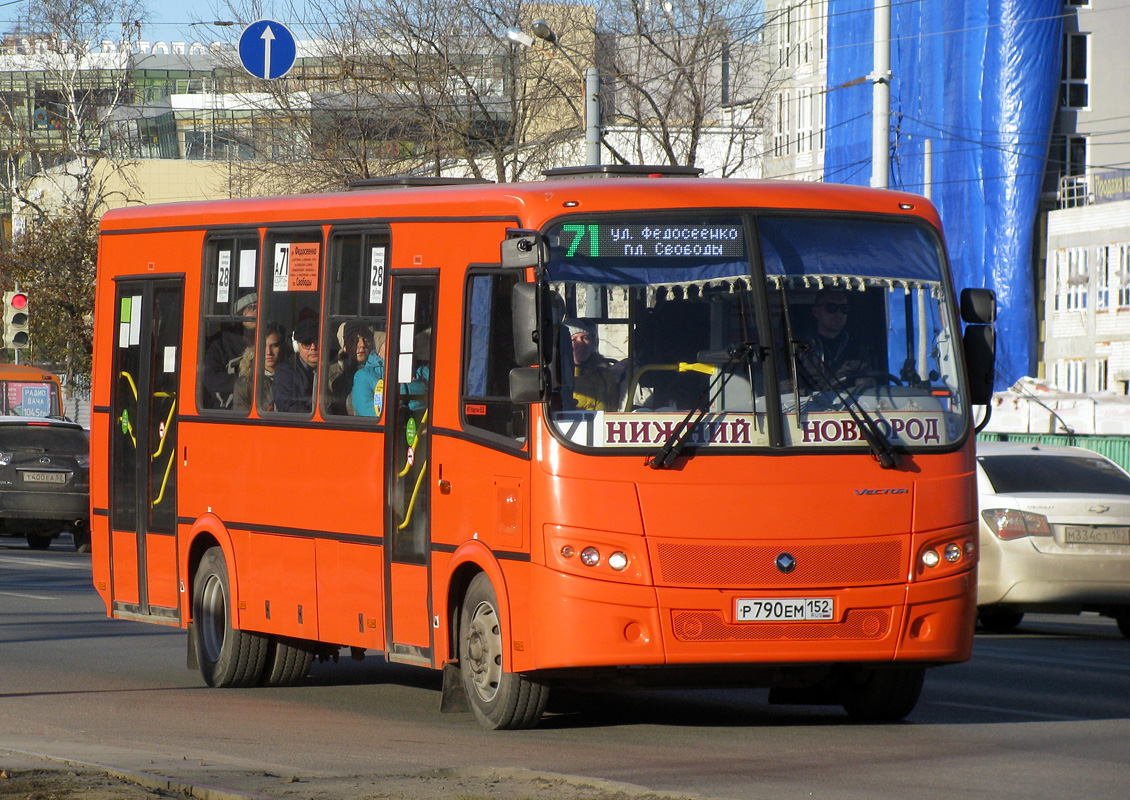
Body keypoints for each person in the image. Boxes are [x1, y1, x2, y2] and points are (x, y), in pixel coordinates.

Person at [803, 289, 872, 387]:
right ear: (816, 312)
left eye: (844, 309)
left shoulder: (857, 350)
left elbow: (866, 386)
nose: (839, 314)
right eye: (831, 308)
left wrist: (867, 384)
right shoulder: (799, 349)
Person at [202, 292, 257, 408]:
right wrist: (245, 383)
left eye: (259, 306)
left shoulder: (268, 339)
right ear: (239, 313)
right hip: (228, 409)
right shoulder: (219, 343)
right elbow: (210, 378)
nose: (256, 312)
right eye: (251, 307)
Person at [565, 318, 621, 411]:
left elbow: (612, 411)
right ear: (563, 344)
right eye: (574, 339)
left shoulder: (604, 376)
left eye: (585, 338)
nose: (581, 343)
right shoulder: (556, 378)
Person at [233, 321, 285, 412]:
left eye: (274, 346)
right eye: (263, 346)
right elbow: (241, 419)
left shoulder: (294, 378)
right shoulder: (245, 384)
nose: (268, 352)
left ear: (283, 347)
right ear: (255, 348)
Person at [274, 317, 319, 413]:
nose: (313, 347)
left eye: (317, 341)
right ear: (296, 346)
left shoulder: (334, 369)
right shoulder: (285, 372)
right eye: (307, 343)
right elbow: (288, 407)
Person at [328, 320, 374, 415]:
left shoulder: (379, 370)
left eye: (365, 339)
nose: (362, 345)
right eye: (354, 340)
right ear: (344, 346)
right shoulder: (332, 375)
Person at [352, 330, 388, 418]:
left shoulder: (420, 371)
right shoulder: (363, 375)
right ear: (379, 350)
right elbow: (365, 408)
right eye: (387, 343)